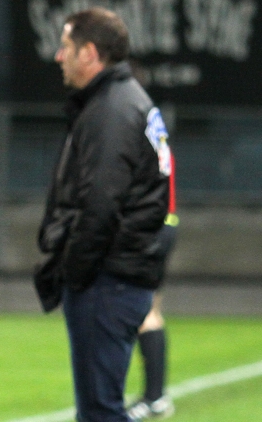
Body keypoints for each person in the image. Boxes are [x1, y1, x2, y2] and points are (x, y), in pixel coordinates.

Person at [35, 7, 171, 421]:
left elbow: (99, 208)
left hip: (107, 280)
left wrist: (73, 271)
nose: (59, 57)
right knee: (100, 409)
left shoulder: (111, 109)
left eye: (66, 47)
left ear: (90, 53)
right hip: (120, 275)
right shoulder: (127, 100)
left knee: (100, 412)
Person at [126, 155, 178, 420]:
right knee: (151, 311)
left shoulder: (138, 138)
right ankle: (156, 395)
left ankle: (154, 396)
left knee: (143, 313)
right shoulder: (158, 141)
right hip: (163, 225)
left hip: (150, 229)